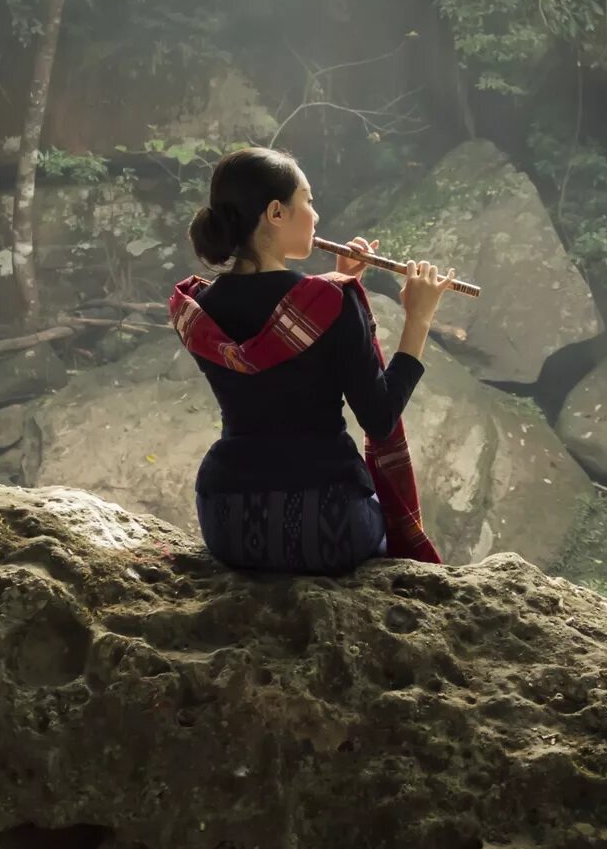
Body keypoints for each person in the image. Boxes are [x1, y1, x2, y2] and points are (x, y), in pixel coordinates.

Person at [167, 146, 456, 573]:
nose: (316, 215)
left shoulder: (198, 306)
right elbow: (379, 418)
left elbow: (281, 315)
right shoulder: (335, 303)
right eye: (307, 200)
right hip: (328, 525)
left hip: (228, 522)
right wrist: (419, 318)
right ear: (276, 213)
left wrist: (343, 282)